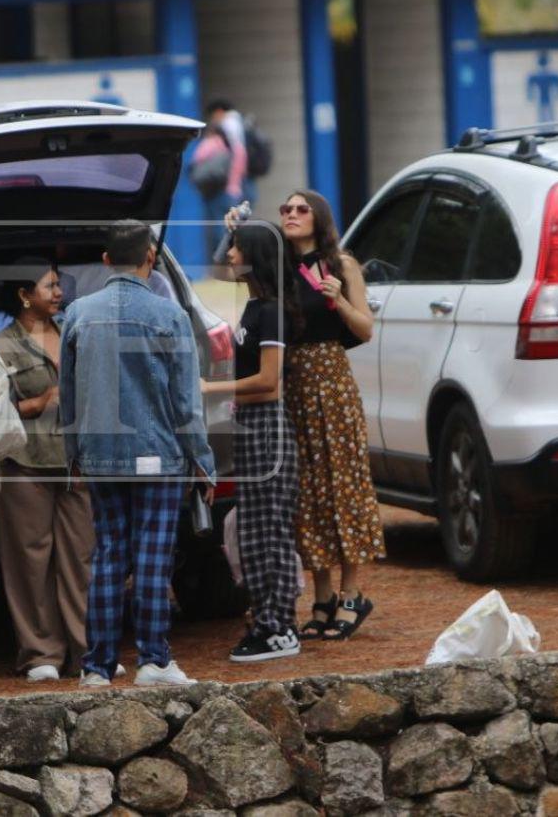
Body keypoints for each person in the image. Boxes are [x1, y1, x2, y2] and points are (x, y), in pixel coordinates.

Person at [60, 220, 216, 687]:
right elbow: (187, 402)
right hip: (159, 455)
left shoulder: (78, 314)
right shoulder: (169, 316)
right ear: (151, 257)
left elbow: (68, 396)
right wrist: (202, 460)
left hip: (100, 454)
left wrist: (74, 456)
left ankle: (97, 666)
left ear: (105, 261)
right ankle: (153, 659)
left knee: (108, 554)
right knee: (152, 555)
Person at [229, 191, 384, 640]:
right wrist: (232, 232)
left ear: (319, 217)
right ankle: (321, 598)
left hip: (330, 381)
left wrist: (339, 300)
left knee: (342, 483)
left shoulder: (342, 264)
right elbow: (242, 265)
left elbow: (366, 330)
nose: (291, 215)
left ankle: (352, 593)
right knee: (306, 493)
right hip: (289, 382)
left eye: (301, 209)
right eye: (286, 209)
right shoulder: (278, 265)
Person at [0, 256, 95, 682]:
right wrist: (35, 404)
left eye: (59, 285)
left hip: (76, 462)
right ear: (23, 295)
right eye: (49, 286)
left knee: (82, 557)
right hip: (24, 464)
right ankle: (40, 655)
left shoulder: (75, 332)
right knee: (29, 560)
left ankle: (89, 650)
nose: (59, 293)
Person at [201, 223, 301, 661]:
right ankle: (267, 618)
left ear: (256, 257)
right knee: (253, 531)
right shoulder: (256, 304)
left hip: (268, 428)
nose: (230, 255)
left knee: (270, 532)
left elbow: (270, 382)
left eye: (238, 248)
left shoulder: (271, 311)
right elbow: (220, 270)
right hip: (251, 426)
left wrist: (212, 389)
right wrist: (232, 230)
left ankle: (279, 628)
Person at [203, 98, 257, 261]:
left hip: (229, 187)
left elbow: (236, 155)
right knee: (238, 224)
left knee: (227, 227)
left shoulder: (228, 125)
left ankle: (226, 262)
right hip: (243, 185)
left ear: (218, 112)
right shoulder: (242, 123)